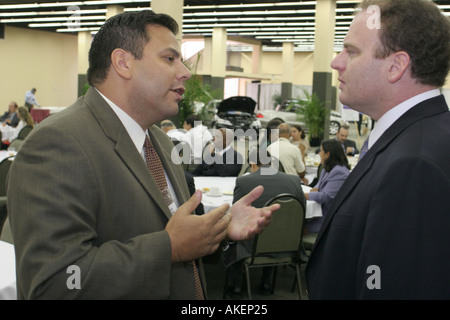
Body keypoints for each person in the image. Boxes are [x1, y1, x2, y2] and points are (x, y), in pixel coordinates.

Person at [6, 10, 279, 300]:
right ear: (123, 63)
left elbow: (176, 237)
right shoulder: (58, 143)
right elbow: (58, 283)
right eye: (170, 58)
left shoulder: (158, 141)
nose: (185, 72)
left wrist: (218, 230)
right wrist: (169, 248)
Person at [305, 0, 450, 299]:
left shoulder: (412, 164)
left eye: (352, 51)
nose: (336, 62)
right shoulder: (414, 137)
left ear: (396, 66)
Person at [223, 148, 306, 298]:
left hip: (252, 245)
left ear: (253, 164)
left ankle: (234, 286)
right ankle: (266, 284)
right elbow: (302, 211)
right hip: (286, 244)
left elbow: (237, 216)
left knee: (234, 239)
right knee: (273, 226)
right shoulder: (293, 180)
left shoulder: (244, 181)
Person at [304, 139, 350, 234]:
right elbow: (318, 186)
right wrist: (315, 189)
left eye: (321, 151)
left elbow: (326, 196)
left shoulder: (339, 172)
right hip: (320, 211)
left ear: (327, 154)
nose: (319, 154)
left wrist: (306, 196)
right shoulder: (327, 168)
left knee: (298, 226)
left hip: (329, 218)